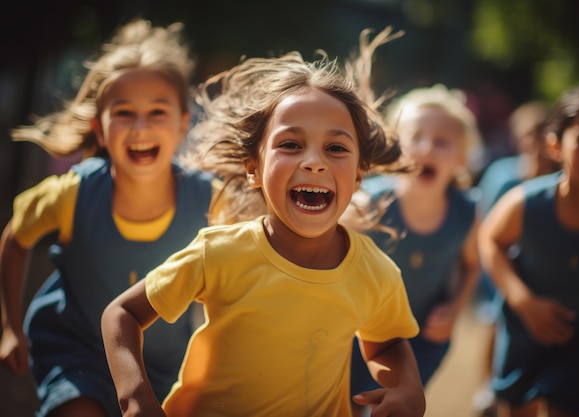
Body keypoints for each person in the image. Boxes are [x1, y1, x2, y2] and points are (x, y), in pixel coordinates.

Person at [101, 27, 426, 417]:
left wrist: (407, 386)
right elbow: (121, 315)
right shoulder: (219, 253)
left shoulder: (375, 272)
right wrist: (136, 397)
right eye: (290, 144)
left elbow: (387, 342)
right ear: (253, 168)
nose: (314, 161)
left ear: (359, 174)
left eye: (336, 148)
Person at [0, 19, 215, 417]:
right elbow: (15, 238)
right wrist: (10, 326)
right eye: (124, 113)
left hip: (164, 363)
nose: (140, 127)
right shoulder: (72, 194)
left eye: (156, 112)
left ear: (183, 123)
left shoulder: (209, 198)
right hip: (78, 353)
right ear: (99, 128)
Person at [478, 81, 579, 417]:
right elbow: (490, 241)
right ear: (555, 147)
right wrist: (522, 300)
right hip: (526, 331)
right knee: (517, 409)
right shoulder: (525, 203)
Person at [342, 84, 483, 415]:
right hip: (357, 336)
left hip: (420, 338)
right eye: (416, 137)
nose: (427, 149)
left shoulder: (467, 212)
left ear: (462, 157)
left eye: (442, 142)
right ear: (395, 145)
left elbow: (472, 266)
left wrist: (454, 308)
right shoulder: (367, 205)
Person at [472, 101, 560, 417]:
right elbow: (483, 219)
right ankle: (489, 388)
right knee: (494, 322)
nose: (532, 143)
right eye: (526, 135)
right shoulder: (502, 174)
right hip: (500, 267)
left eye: (539, 135)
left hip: (536, 271)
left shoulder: (558, 182)